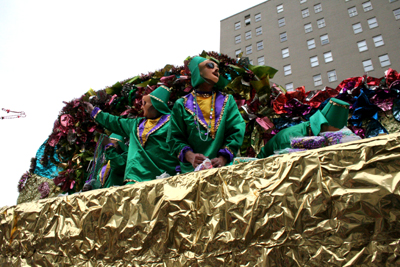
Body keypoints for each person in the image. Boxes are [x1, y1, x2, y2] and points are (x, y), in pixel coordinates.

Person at [83, 85, 179, 184]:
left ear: (155, 105)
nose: (141, 107)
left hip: (162, 174)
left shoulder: (171, 122)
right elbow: (116, 122)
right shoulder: (136, 124)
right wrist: (94, 111)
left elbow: (180, 142)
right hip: (135, 178)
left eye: (144, 103)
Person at [167, 56, 246, 173]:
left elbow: (236, 130)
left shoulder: (227, 100)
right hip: (191, 172)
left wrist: (223, 158)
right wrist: (191, 157)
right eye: (210, 65)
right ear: (197, 72)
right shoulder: (181, 104)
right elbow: (174, 137)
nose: (216, 69)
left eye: (217, 67)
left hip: (223, 169)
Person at [257, 97, 350, 158]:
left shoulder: (312, 133)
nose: (332, 138)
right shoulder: (291, 138)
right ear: (322, 126)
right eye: (330, 134)